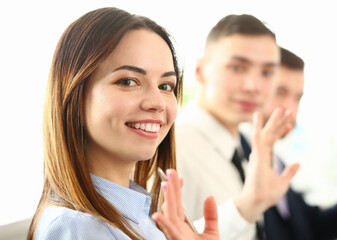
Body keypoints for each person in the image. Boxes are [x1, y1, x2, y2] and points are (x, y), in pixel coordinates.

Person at [27, 7, 219, 240]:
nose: (157, 103)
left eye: (165, 85)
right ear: (74, 95)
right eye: (128, 81)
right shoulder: (79, 229)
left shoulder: (143, 211)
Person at [240, 47, 337, 239]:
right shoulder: (236, 158)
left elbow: (310, 228)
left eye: (297, 98)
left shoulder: (277, 162)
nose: (291, 108)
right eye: (280, 92)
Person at [175, 14, 300, 240]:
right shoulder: (173, 148)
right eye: (237, 68)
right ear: (200, 70)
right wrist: (246, 207)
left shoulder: (242, 146)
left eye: (267, 73)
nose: (253, 86)